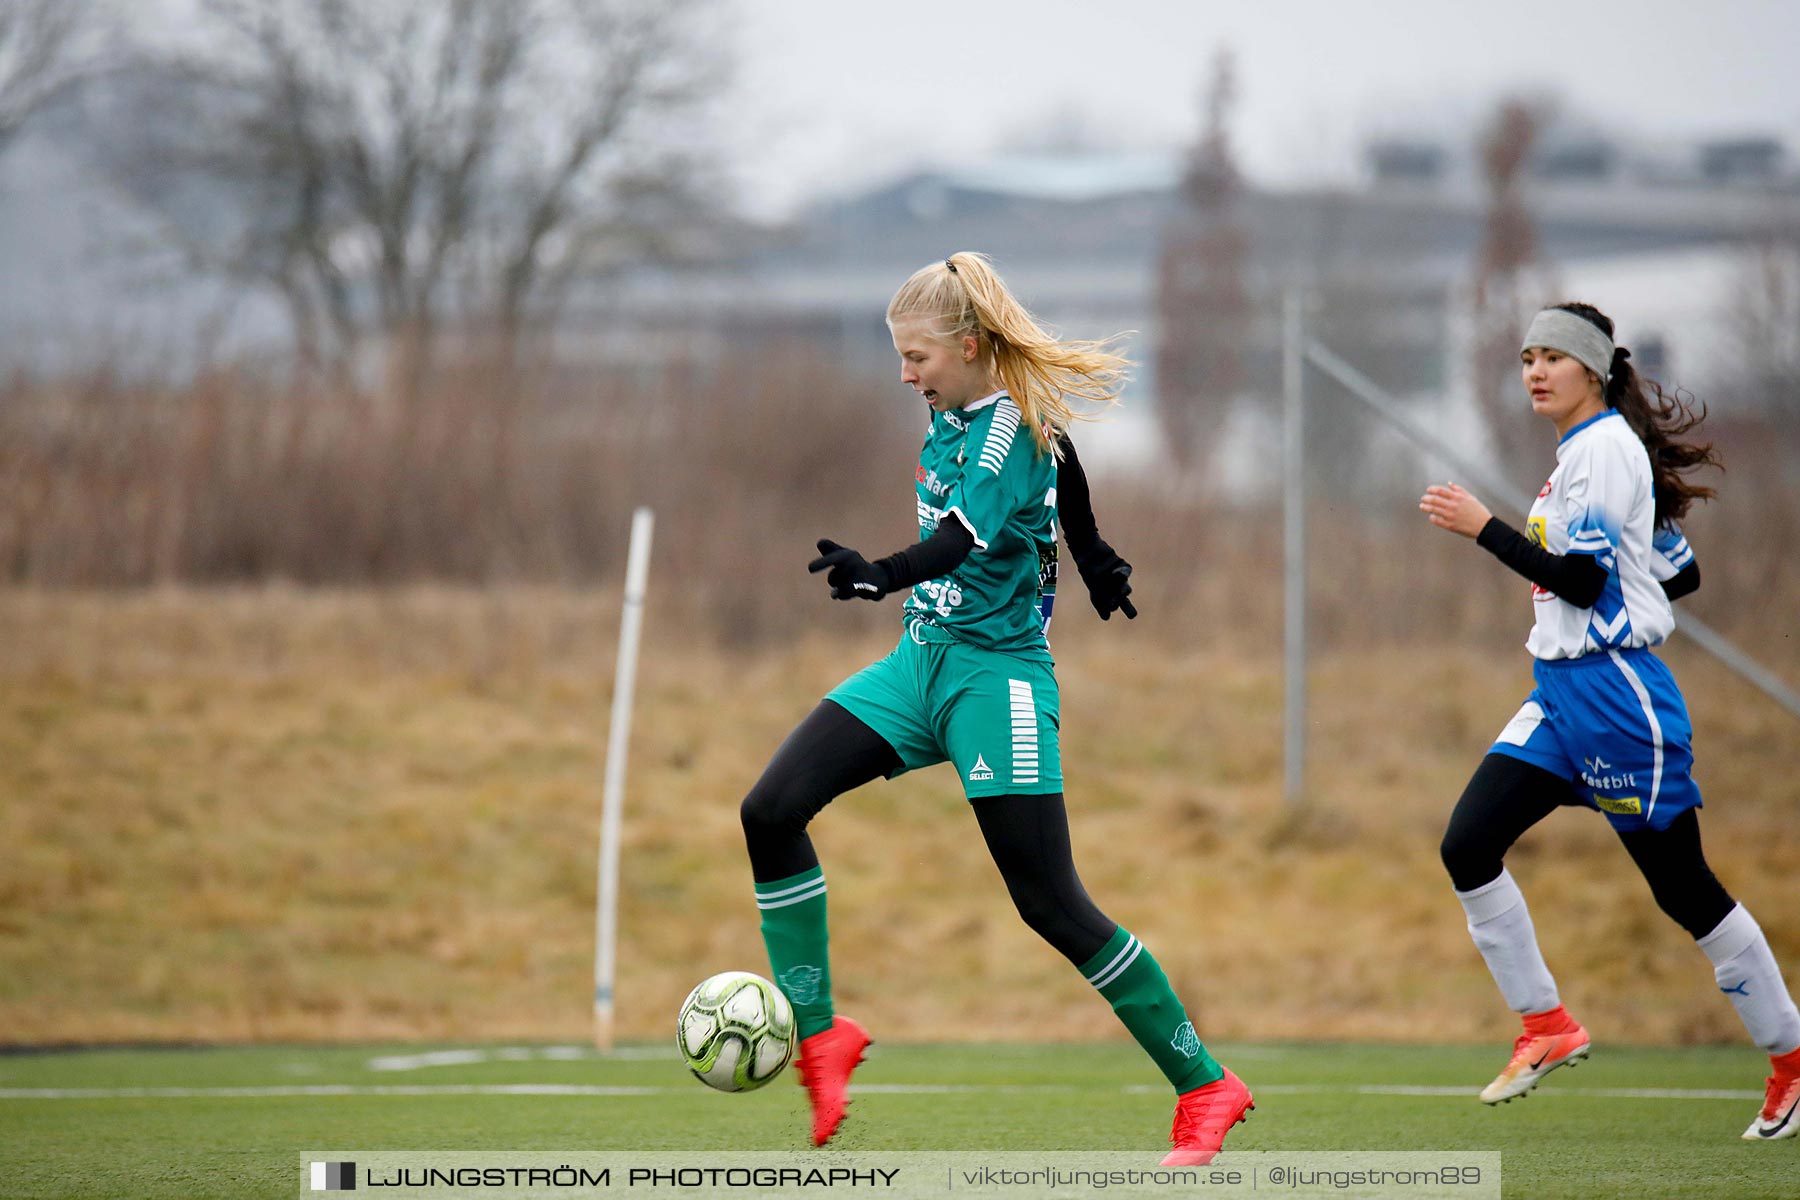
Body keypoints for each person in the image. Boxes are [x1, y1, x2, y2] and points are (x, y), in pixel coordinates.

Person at [739, 252, 1253, 1163]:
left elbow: (960, 536)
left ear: (969, 346)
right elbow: (1068, 460)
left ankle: (1205, 1083)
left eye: (918, 358)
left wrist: (878, 575)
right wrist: (1091, 552)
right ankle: (820, 1039)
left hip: (998, 683)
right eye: (901, 358)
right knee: (770, 810)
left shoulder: (999, 432)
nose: (906, 375)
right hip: (917, 667)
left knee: (1050, 902)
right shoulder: (965, 414)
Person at [1420, 301, 1800, 1140]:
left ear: (1592, 369)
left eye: (1553, 356)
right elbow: (1678, 569)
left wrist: (1486, 528)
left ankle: (1792, 1058)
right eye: (1526, 357)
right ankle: (1546, 1026)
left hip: (1618, 700)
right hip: (1559, 693)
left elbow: (1589, 586)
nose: (1535, 371)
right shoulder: (1583, 457)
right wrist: (1624, 587)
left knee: (1684, 889)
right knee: (1468, 844)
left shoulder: (1602, 451)